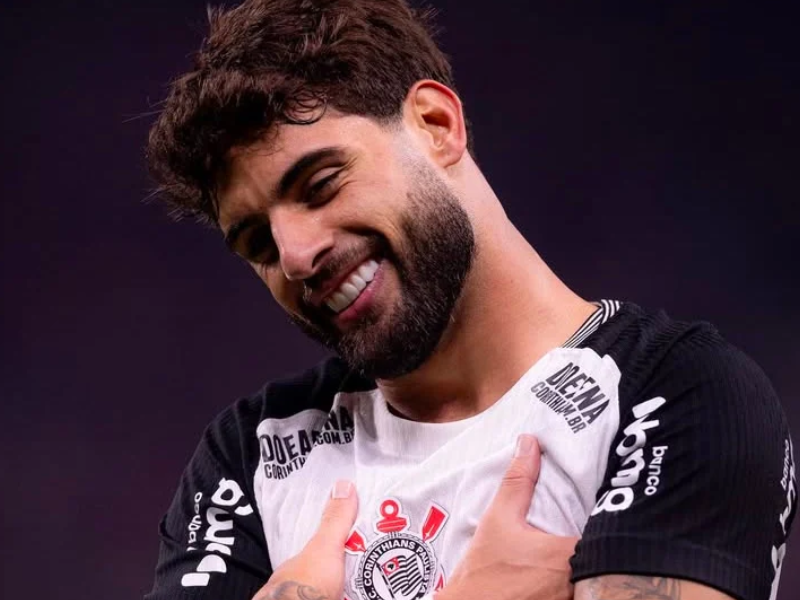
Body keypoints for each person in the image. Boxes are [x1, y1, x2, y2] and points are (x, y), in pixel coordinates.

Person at [143, 1, 796, 599]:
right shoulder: (252, 450)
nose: (294, 257)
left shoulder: (679, 393)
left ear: (436, 125)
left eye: (321, 184)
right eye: (258, 243)